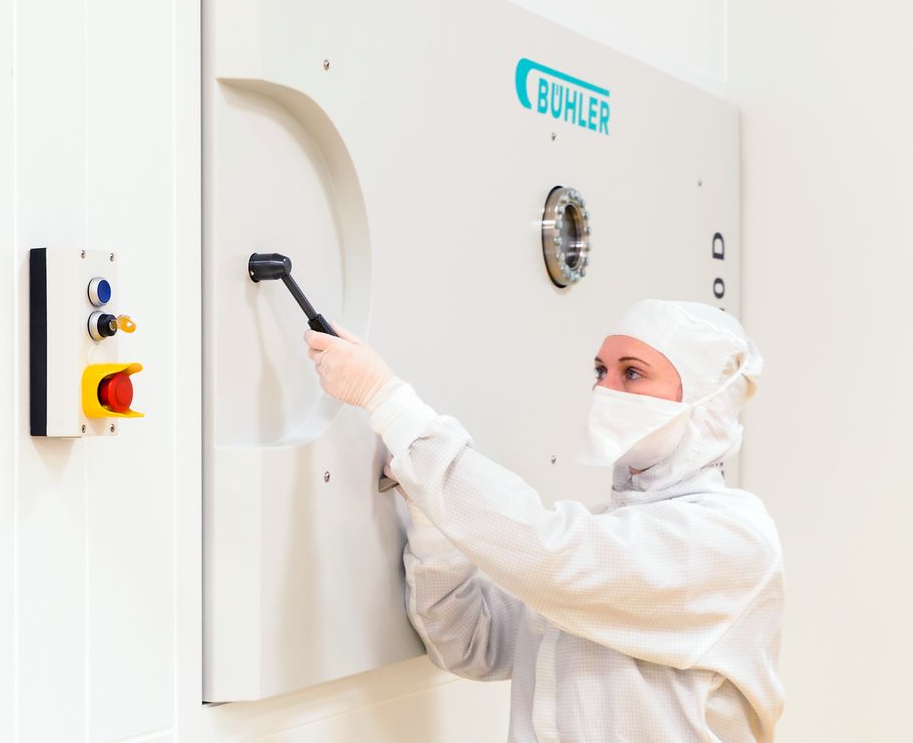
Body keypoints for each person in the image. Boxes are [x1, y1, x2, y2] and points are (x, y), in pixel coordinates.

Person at [304, 300, 783, 742]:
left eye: (632, 373)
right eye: (601, 370)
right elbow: (473, 642)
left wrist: (388, 401)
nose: (605, 389)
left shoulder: (731, 538)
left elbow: (552, 555)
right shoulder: (608, 536)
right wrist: (430, 522)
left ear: (705, 400)